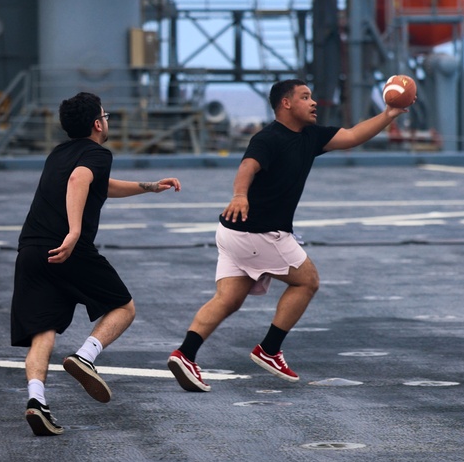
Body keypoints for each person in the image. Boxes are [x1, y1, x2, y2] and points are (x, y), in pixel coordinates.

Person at [168, 79, 408, 392]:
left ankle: (184, 354)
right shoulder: (268, 137)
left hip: (232, 233)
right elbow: (247, 167)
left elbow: (351, 136)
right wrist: (240, 194)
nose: (313, 103)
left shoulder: (311, 136)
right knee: (307, 280)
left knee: (228, 299)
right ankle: (269, 349)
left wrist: (389, 114)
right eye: (305, 97)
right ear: (286, 103)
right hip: (260, 233)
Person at [11, 92, 181, 436]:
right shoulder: (97, 152)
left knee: (43, 332)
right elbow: (80, 181)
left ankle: (36, 401)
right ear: (97, 123)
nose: (107, 122)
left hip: (31, 251)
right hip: (68, 249)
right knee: (124, 307)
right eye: (106, 116)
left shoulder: (58, 154)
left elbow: (99, 186)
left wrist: (149, 186)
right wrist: (74, 233)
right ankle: (86, 356)